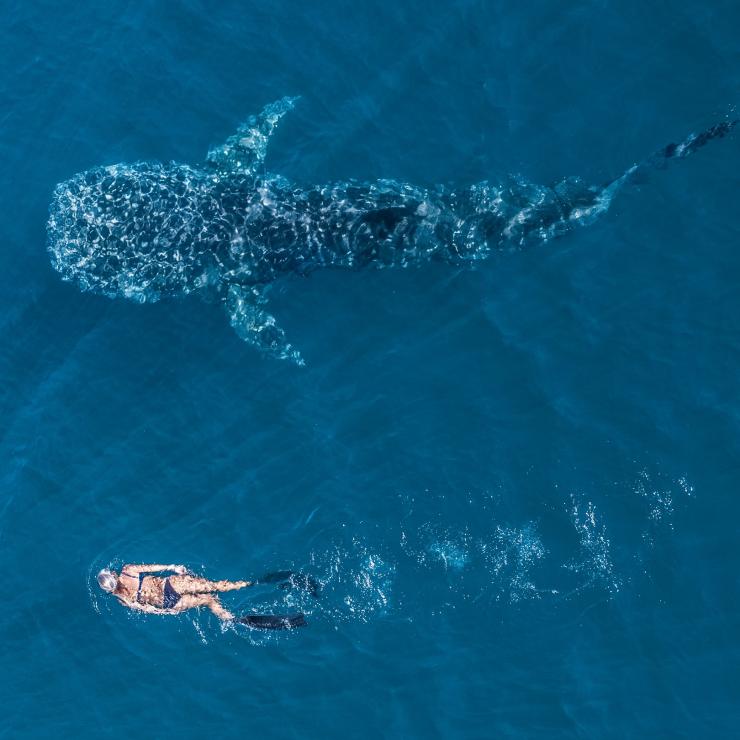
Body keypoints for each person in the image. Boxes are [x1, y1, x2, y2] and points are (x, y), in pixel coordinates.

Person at [97, 563, 306, 629]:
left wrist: (169, 611)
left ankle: (234, 620)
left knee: (209, 600)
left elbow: (147, 609)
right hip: (171, 584)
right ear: (112, 575)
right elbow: (155, 566)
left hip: (169, 602)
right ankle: (256, 583)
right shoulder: (127, 570)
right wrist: (173, 567)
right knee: (220, 587)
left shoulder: (122, 600)